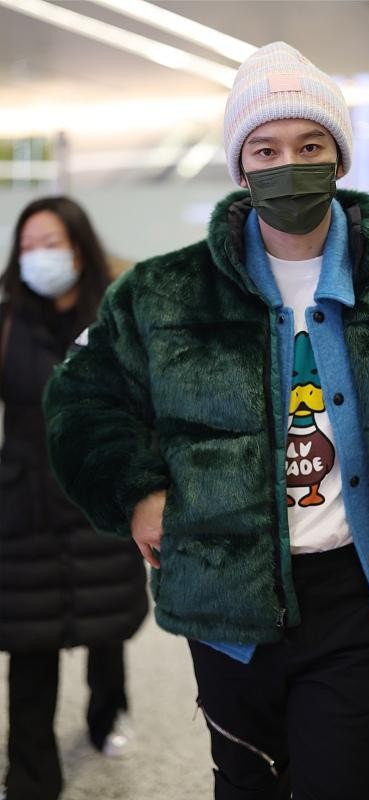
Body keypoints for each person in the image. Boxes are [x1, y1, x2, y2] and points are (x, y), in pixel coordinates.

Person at [43, 43, 369, 800]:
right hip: (225, 594)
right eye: (265, 149)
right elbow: (81, 399)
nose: (289, 164)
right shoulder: (166, 291)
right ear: (241, 167)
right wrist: (135, 493)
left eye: (310, 146)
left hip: (359, 591)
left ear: (339, 157)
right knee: (248, 784)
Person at [0, 196, 148, 800]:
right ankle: (30, 774)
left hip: (98, 493)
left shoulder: (114, 316)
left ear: (80, 249)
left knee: (104, 620)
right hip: (23, 501)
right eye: (27, 246)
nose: (38, 256)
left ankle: (107, 712)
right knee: (28, 637)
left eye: (50, 243)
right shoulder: (7, 321)